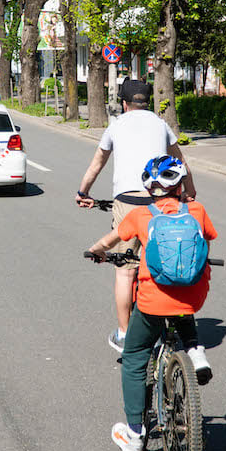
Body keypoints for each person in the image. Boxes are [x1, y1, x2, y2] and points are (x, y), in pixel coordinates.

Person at [86, 155, 217, 451]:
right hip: (193, 295)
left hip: (153, 300)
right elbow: (207, 241)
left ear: (149, 188)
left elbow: (111, 240)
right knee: (182, 303)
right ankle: (195, 351)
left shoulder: (142, 215)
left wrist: (96, 251)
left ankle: (134, 434)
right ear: (180, 185)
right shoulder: (196, 210)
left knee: (133, 356)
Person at [77, 79, 197, 353]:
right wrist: (190, 191)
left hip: (128, 202)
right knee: (166, 256)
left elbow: (97, 164)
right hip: (163, 199)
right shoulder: (160, 124)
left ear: (123, 103)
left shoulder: (116, 126)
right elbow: (182, 163)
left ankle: (123, 333)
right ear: (147, 102)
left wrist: (83, 191)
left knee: (124, 271)